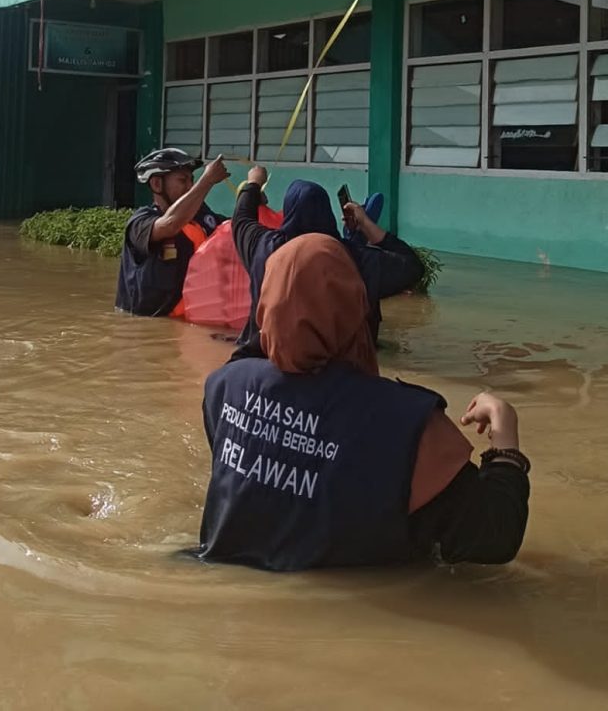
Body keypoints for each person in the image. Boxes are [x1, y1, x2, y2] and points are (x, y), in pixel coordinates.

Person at [199, 233, 530, 571]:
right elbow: (495, 538)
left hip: (228, 597)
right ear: (355, 305)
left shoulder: (224, 388)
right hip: (356, 613)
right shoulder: (409, 427)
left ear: (265, 305)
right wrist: (505, 437)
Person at [231, 170, 423, 355]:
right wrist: (366, 225)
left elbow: (241, 219)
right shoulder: (357, 260)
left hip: (268, 355)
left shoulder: (263, 247)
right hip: (340, 369)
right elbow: (413, 266)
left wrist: (254, 183)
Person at [115, 148, 230, 317]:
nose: (190, 187)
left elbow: (234, 229)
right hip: (149, 329)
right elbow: (170, 224)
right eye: (183, 180)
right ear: (156, 184)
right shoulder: (140, 223)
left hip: (188, 323)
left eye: (192, 180)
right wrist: (207, 181)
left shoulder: (201, 216)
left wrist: (250, 197)